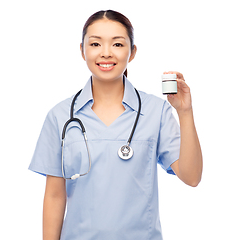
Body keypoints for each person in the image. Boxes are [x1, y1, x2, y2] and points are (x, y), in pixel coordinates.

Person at [29, 9, 202, 240]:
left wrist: (185, 112)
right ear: (82, 51)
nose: (106, 53)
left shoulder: (155, 111)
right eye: (96, 44)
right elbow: (54, 196)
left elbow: (192, 177)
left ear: (132, 53)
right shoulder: (60, 116)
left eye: (118, 44)